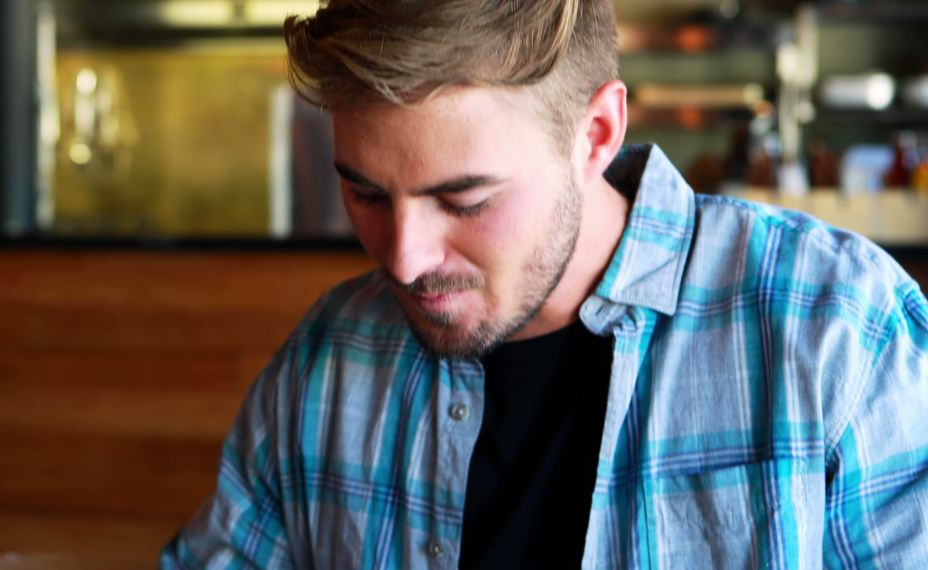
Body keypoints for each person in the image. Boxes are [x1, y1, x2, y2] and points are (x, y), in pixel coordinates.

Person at [161, 0, 928, 567]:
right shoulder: (329, 358)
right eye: (365, 193)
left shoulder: (840, 334)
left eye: (465, 200)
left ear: (595, 134)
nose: (402, 258)